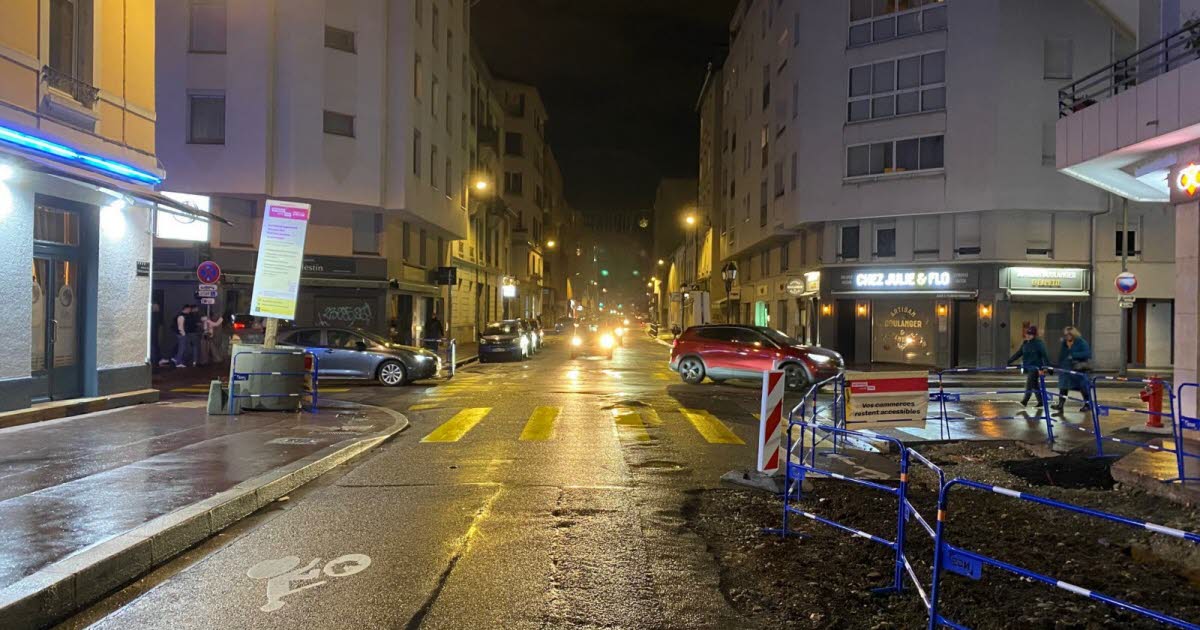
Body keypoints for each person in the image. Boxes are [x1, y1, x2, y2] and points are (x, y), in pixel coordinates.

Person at [1006, 325, 1050, 409]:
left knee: (1029, 384)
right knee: (1035, 385)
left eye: (1031, 334)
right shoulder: (1025, 344)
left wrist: (1046, 367)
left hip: (1036, 368)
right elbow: (1019, 353)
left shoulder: (1039, 344)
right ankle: (1041, 402)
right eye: (1027, 334)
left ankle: (1025, 401)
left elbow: (1044, 355)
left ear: (1034, 335)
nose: (1028, 335)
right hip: (1028, 367)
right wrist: (1010, 360)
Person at [1053, 325, 1093, 414]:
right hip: (1066, 369)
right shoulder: (1064, 343)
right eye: (1065, 335)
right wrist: (1058, 366)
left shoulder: (1081, 342)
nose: (1067, 336)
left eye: (1068, 334)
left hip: (1078, 369)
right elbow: (1062, 355)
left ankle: (1088, 404)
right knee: (1063, 387)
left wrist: (1073, 355)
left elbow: (1087, 354)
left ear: (1073, 334)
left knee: (1083, 388)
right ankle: (1060, 405)